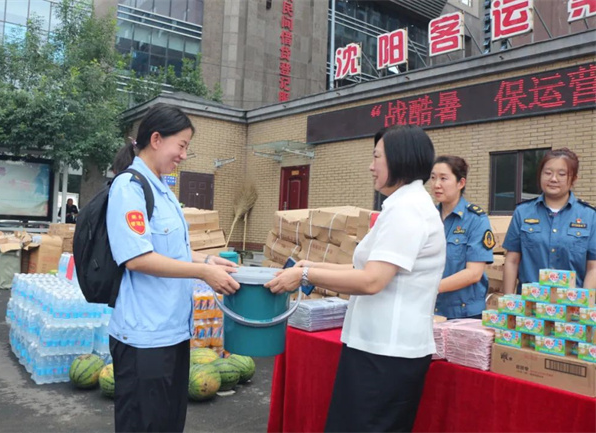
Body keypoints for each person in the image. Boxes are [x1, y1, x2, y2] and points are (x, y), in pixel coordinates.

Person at [265, 125, 446, 432]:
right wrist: (311, 265)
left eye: (377, 157)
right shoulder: (402, 206)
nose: (371, 166)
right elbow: (363, 268)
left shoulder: (408, 211)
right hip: (378, 347)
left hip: (388, 351)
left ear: (399, 159)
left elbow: (372, 281)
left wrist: (304, 274)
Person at [106, 103, 240, 433]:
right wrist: (203, 273)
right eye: (181, 145)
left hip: (173, 332)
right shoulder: (130, 188)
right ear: (156, 139)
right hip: (144, 338)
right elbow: (137, 258)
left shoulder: (162, 189)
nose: (183, 155)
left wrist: (206, 260)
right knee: (144, 425)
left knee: (169, 423)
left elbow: (172, 250)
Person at [503, 148, 596, 293]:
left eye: (562, 174)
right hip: (530, 302)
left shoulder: (589, 216)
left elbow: (593, 267)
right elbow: (512, 261)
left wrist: (582, 302)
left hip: (570, 303)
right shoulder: (523, 212)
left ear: (574, 179)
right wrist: (508, 300)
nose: (553, 179)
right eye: (547, 173)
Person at [430, 156, 494, 319]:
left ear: (461, 183)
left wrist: (430, 288)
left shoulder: (476, 219)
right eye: (433, 178)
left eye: (443, 178)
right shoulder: (427, 217)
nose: (436, 184)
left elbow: (474, 273)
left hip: (465, 313)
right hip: (431, 308)